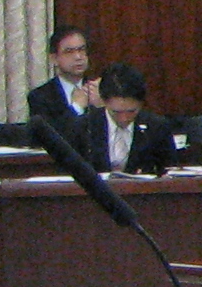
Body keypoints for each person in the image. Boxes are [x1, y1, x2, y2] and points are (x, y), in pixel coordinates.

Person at [87, 62, 179, 176]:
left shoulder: (157, 127)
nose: (124, 118)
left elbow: (170, 172)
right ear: (104, 101)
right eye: (116, 112)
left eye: (131, 111)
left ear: (141, 104)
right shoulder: (84, 127)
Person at [26, 25, 99, 153]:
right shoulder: (40, 96)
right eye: (69, 51)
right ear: (54, 59)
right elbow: (50, 140)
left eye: (81, 50)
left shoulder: (101, 90)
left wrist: (102, 108)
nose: (78, 57)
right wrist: (76, 108)